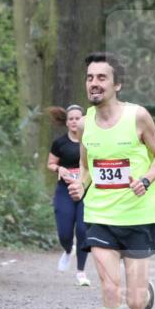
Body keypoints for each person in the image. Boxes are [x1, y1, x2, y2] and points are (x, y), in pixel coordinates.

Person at [67, 51, 155, 309]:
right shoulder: (84, 125)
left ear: (117, 84)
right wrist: (80, 186)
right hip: (100, 218)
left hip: (138, 218)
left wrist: (146, 179)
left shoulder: (138, 117)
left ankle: (144, 293)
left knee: (135, 302)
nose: (94, 84)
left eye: (101, 78)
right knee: (110, 290)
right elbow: (87, 167)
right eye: (90, 78)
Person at [47, 105, 91, 286]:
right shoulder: (59, 143)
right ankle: (67, 249)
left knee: (82, 230)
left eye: (77, 118)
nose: (74, 121)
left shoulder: (90, 141)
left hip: (86, 191)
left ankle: (81, 272)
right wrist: (59, 168)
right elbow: (50, 163)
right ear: (66, 122)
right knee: (65, 233)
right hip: (65, 191)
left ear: (83, 120)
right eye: (71, 118)